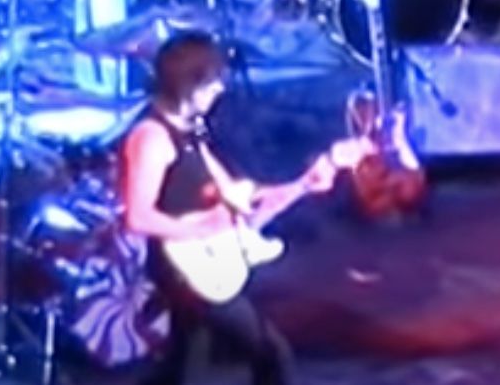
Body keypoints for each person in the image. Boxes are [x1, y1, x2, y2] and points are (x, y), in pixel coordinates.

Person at [122, 31, 340, 385]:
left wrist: (303, 184)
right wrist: (201, 228)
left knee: (187, 363)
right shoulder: (151, 137)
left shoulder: (192, 132)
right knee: (271, 354)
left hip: (206, 259)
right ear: (187, 85)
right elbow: (137, 216)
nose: (220, 89)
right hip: (179, 267)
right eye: (212, 82)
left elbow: (238, 197)